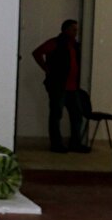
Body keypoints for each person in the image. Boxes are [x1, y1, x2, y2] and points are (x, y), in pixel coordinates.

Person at [32, 20, 90, 153]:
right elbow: (37, 53)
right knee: (56, 115)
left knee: (77, 115)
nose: (76, 32)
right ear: (66, 30)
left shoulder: (75, 45)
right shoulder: (55, 43)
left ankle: (75, 143)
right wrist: (46, 69)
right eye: (73, 29)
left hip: (73, 87)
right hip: (58, 86)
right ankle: (56, 144)